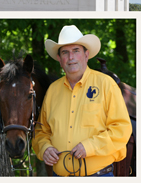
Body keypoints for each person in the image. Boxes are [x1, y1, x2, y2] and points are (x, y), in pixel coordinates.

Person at [33, 25, 132, 177]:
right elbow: (41, 131)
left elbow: (121, 129)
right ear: (59, 59)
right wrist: (45, 147)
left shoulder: (106, 84)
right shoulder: (52, 90)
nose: (71, 57)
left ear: (86, 54)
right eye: (65, 52)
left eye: (76, 51)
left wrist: (90, 146)